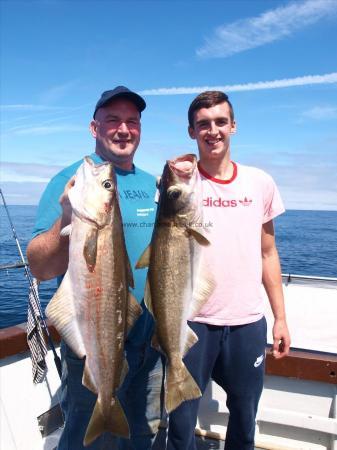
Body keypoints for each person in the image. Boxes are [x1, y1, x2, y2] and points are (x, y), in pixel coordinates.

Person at [27, 86, 163, 450]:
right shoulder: (72, 180)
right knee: (89, 438)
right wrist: (67, 219)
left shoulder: (153, 184)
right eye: (113, 120)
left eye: (132, 121)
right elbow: (39, 266)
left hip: (148, 335)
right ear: (94, 128)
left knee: (144, 432)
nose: (123, 129)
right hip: (92, 332)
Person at [166, 91, 291, 450]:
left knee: (244, 418)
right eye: (203, 124)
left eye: (221, 122)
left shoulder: (260, 182)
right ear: (192, 131)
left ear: (233, 126)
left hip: (247, 323)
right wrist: (171, 176)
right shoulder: (180, 184)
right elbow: (165, 246)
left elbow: (268, 253)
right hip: (191, 323)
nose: (213, 130)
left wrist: (280, 317)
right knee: (181, 423)